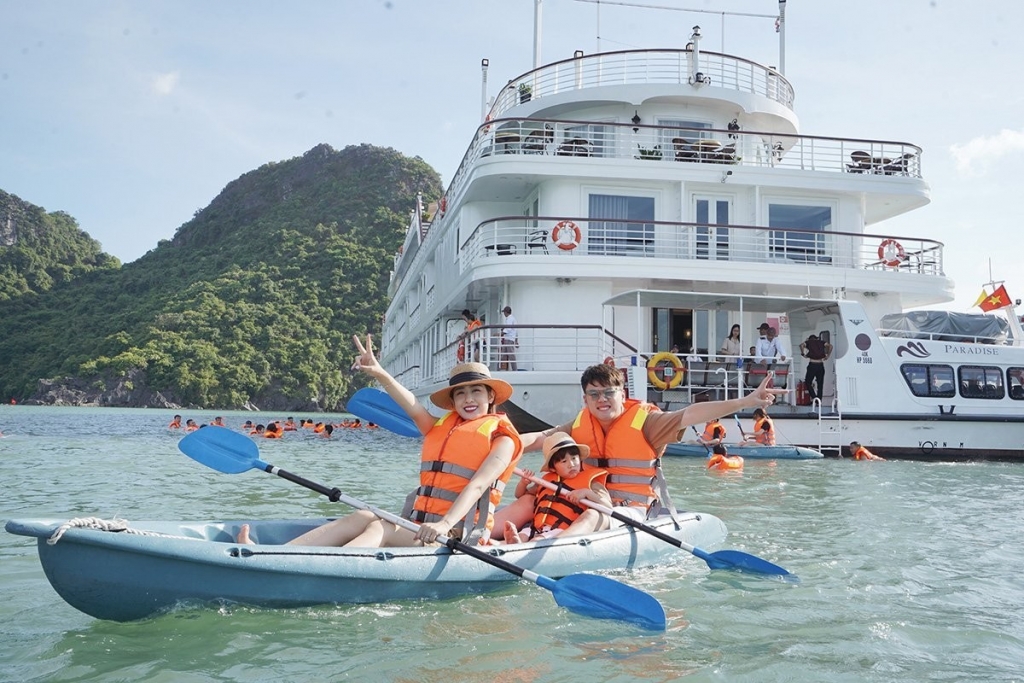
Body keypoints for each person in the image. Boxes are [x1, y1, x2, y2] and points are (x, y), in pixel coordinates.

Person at [239, 335, 523, 547]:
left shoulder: (502, 438)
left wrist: (444, 524)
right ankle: (281, 555)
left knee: (382, 530)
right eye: (460, 393)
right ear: (453, 400)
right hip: (421, 525)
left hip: (457, 534)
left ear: (491, 396)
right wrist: (379, 373)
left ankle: (324, 569)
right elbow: (411, 405)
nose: (468, 399)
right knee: (364, 516)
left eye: (476, 391)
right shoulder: (441, 427)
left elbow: (478, 484)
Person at [512, 363, 783, 523]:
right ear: (585, 399)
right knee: (526, 502)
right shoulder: (580, 423)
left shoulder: (647, 422)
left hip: (632, 511)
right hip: (587, 501)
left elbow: (690, 414)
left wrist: (746, 402)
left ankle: (541, 544)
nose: (601, 399)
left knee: (596, 518)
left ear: (622, 394)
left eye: (608, 392)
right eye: (593, 394)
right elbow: (541, 438)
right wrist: (504, 444)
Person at [502, 432, 611, 543]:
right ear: (553, 468)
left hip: (560, 530)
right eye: (564, 461)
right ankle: (512, 543)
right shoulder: (546, 481)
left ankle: (519, 547)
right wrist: (523, 483)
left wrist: (587, 493)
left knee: (537, 540)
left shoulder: (591, 483)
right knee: (523, 535)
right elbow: (520, 495)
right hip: (537, 527)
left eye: (574, 458)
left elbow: (607, 506)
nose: (571, 464)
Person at [799, 333, 832, 402]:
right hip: (820, 364)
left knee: (808, 382)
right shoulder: (821, 342)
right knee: (820, 384)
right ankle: (819, 400)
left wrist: (803, 353)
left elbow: (801, 345)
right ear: (816, 338)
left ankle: (814, 397)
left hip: (812, 364)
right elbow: (830, 346)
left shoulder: (809, 342)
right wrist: (828, 355)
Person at [499, 305, 518, 371]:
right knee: (504, 354)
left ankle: (514, 369)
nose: (504, 314)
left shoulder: (510, 319)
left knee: (511, 355)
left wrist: (500, 334)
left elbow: (508, 329)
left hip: (509, 339)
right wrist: (516, 340)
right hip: (509, 339)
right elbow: (515, 330)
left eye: (504, 312)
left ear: (506, 312)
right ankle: (503, 368)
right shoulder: (512, 319)